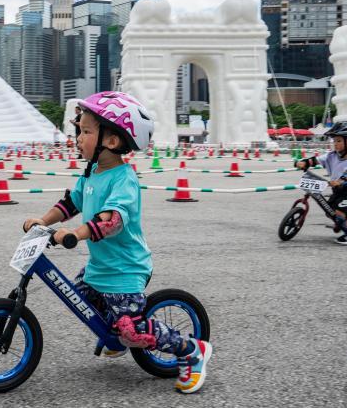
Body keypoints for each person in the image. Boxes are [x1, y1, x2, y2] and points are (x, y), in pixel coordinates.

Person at [23, 92, 212, 394]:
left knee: (131, 329)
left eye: (86, 131)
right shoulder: (93, 173)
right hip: (100, 267)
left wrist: (74, 234)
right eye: (79, 130)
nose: (78, 137)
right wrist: (44, 221)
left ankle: (191, 350)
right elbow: (71, 203)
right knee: (79, 299)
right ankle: (114, 334)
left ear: (111, 141)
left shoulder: (124, 179)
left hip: (125, 270)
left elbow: (111, 220)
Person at [296, 121, 347, 245]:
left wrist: (341, 181)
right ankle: (345, 222)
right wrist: (304, 162)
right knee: (330, 211)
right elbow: (315, 160)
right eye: (334, 140)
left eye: (338, 141)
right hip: (337, 190)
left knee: (338, 214)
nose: (334, 143)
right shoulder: (331, 156)